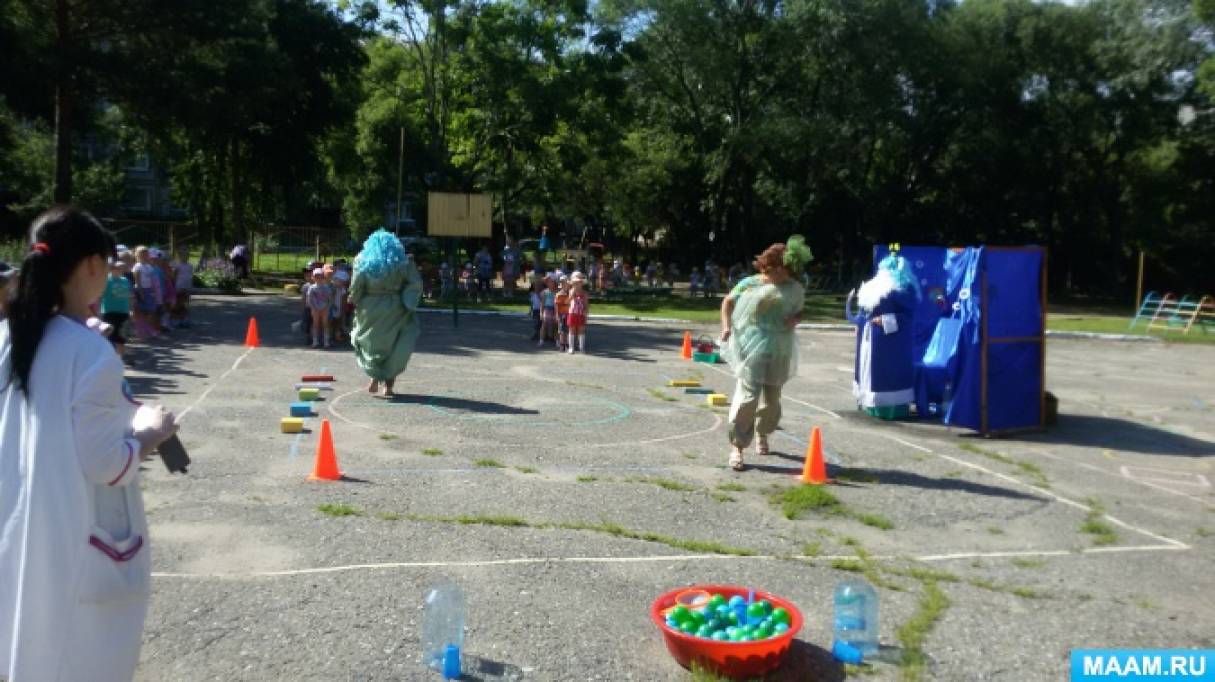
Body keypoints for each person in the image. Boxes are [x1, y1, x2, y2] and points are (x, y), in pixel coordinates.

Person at [1, 206, 179, 681]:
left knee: (20, 646)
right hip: (71, 536)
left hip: (16, 526)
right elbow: (105, 464)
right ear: (93, 267)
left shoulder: (9, 337)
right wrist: (150, 432)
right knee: (73, 656)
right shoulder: (89, 351)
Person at [719, 236, 812, 471]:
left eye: (783, 270)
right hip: (752, 344)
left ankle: (763, 433)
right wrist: (726, 327)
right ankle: (737, 447)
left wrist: (795, 319)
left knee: (772, 400)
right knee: (748, 397)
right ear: (766, 266)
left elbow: (800, 311)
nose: (778, 275)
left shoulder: (794, 287)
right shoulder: (750, 283)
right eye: (773, 270)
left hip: (780, 346)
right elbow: (728, 302)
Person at [350, 230, 423, 397]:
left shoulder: (362, 260)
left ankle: (374, 378)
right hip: (395, 307)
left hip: (370, 308)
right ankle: (388, 386)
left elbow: (356, 285)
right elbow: (415, 283)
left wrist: (355, 300)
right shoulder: (403, 261)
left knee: (371, 344)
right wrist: (408, 302)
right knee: (395, 345)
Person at [849, 247, 919, 414]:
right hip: (870, 338)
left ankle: (889, 409)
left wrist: (885, 320)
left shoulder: (902, 290)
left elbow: (908, 316)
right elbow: (865, 310)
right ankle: (869, 405)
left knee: (886, 374)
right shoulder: (873, 287)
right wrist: (859, 323)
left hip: (890, 342)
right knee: (868, 370)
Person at [100, 257, 133, 354]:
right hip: (109, 311)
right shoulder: (106, 280)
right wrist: (98, 312)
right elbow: (100, 297)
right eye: (117, 268)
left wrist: (131, 309)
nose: (119, 270)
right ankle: (110, 357)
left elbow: (129, 296)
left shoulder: (125, 280)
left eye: (121, 268)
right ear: (111, 269)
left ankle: (120, 358)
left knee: (122, 337)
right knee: (109, 336)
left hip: (123, 311)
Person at [304, 267, 333, 348]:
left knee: (325, 324)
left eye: (320, 276)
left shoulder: (326, 287)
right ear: (313, 277)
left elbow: (330, 299)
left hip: (325, 308)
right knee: (315, 324)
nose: (318, 278)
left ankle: (326, 341)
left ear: (323, 277)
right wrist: (313, 308)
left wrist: (327, 307)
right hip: (315, 308)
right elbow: (309, 299)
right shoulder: (312, 288)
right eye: (316, 276)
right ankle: (315, 341)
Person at [567, 271, 590, 353]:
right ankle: (571, 347)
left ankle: (581, 347)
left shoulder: (584, 293)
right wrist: (573, 293)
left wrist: (586, 315)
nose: (577, 284)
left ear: (582, 283)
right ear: (572, 283)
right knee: (572, 330)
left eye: (579, 282)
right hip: (572, 313)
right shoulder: (571, 291)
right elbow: (568, 301)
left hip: (581, 314)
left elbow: (586, 305)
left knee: (581, 330)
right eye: (575, 282)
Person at [171, 251, 194, 328]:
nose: (185, 257)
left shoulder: (190, 266)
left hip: (187, 287)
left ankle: (184, 319)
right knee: (178, 304)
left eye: (187, 255)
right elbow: (174, 277)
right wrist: (174, 286)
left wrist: (190, 287)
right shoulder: (177, 266)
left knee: (186, 304)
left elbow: (190, 276)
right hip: (179, 287)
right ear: (179, 256)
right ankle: (176, 319)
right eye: (183, 255)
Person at [537, 275, 558, 348]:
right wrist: (541, 312)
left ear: (555, 283)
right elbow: (542, 304)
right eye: (548, 282)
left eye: (551, 282)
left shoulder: (557, 292)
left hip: (555, 310)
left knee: (556, 325)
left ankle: (557, 341)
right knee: (544, 325)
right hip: (547, 309)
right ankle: (541, 340)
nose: (550, 283)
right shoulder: (544, 292)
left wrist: (557, 313)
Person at [555, 274, 572, 351]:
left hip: (570, 314)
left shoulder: (571, 294)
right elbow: (557, 306)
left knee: (568, 329)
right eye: (562, 283)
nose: (564, 285)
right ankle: (562, 344)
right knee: (561, 330)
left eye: (566, 283)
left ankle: (568, 344)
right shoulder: (559, 295)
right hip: (561, 314)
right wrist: (557, 315)